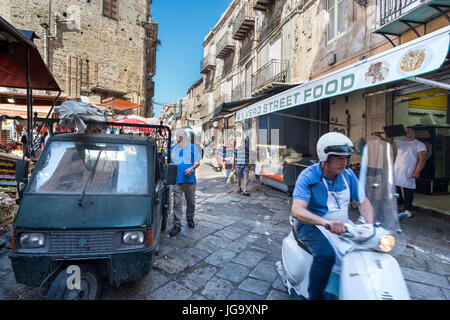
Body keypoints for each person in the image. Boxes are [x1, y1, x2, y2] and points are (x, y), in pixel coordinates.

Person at [291, 132, 373, 300]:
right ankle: (315, 296)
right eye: (339, 158)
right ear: (325, 157)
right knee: (326, 255)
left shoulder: (348, 175)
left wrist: (371, 225)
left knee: (365, 250)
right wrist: (325, 222)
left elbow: (363, 202)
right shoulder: (308, 176)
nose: (345, 162)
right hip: (312, 224)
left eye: (346, 158)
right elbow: (297, 210)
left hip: (342, 225)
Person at [375, 126, 427, 218]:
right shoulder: (400, 142)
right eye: (405, 131)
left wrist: (417, 172)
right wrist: (380, 136)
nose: (407, 133)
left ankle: (407, 210)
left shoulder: (419, 144)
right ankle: (400, 203)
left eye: (409, 131)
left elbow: (422, 159)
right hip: (397, 170)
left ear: (414, 133)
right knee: (396, 188)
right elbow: (387, 145)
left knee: (408, 190)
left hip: (409, 171)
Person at [168, 129, 202, 237]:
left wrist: (192, 168)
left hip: (190, 180)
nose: (178, 138)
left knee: (191, 201)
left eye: (180, 136)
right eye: (177, 136)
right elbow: (166, 160)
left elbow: (197, 162)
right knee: (177, 202)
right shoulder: (172, 148)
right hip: (177, 180)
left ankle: (190, 218)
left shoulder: (193, 148)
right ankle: (177, 225)